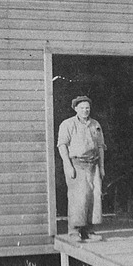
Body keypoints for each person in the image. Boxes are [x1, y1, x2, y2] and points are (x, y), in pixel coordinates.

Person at [57, 96, 106, 242]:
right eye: (82, 108)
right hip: (77, 164)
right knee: (78, 198)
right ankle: (74, 232)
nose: (85, 110)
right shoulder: (67, 124)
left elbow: (100, 146)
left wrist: (102, 167)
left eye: (87, 108)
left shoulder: (95, 124)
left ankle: (88, 231)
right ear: (76, 109)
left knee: (94, 196)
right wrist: (68, 165)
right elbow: (62, 145)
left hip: (93, 164)